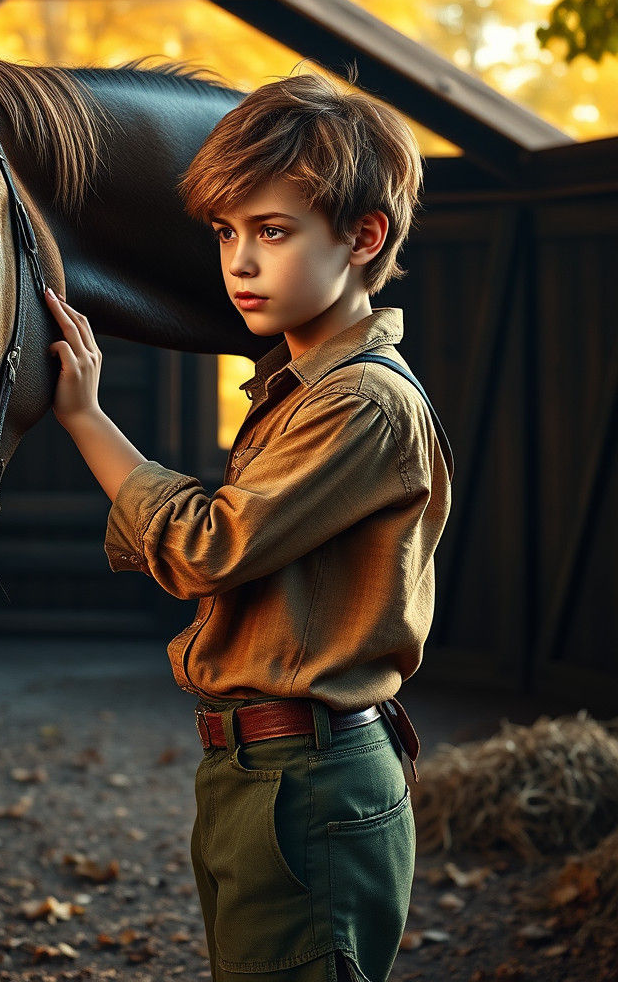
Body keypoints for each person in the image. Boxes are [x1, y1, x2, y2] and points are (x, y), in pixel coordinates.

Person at [43, 70, 453, 982]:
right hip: (255, 773)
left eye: (272, 231)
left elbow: (208, 548)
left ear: (364, 237)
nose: (239, 262)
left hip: (311, 778)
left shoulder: (361, 404)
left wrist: (87, 420)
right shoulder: (297, 388)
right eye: (228, 232)